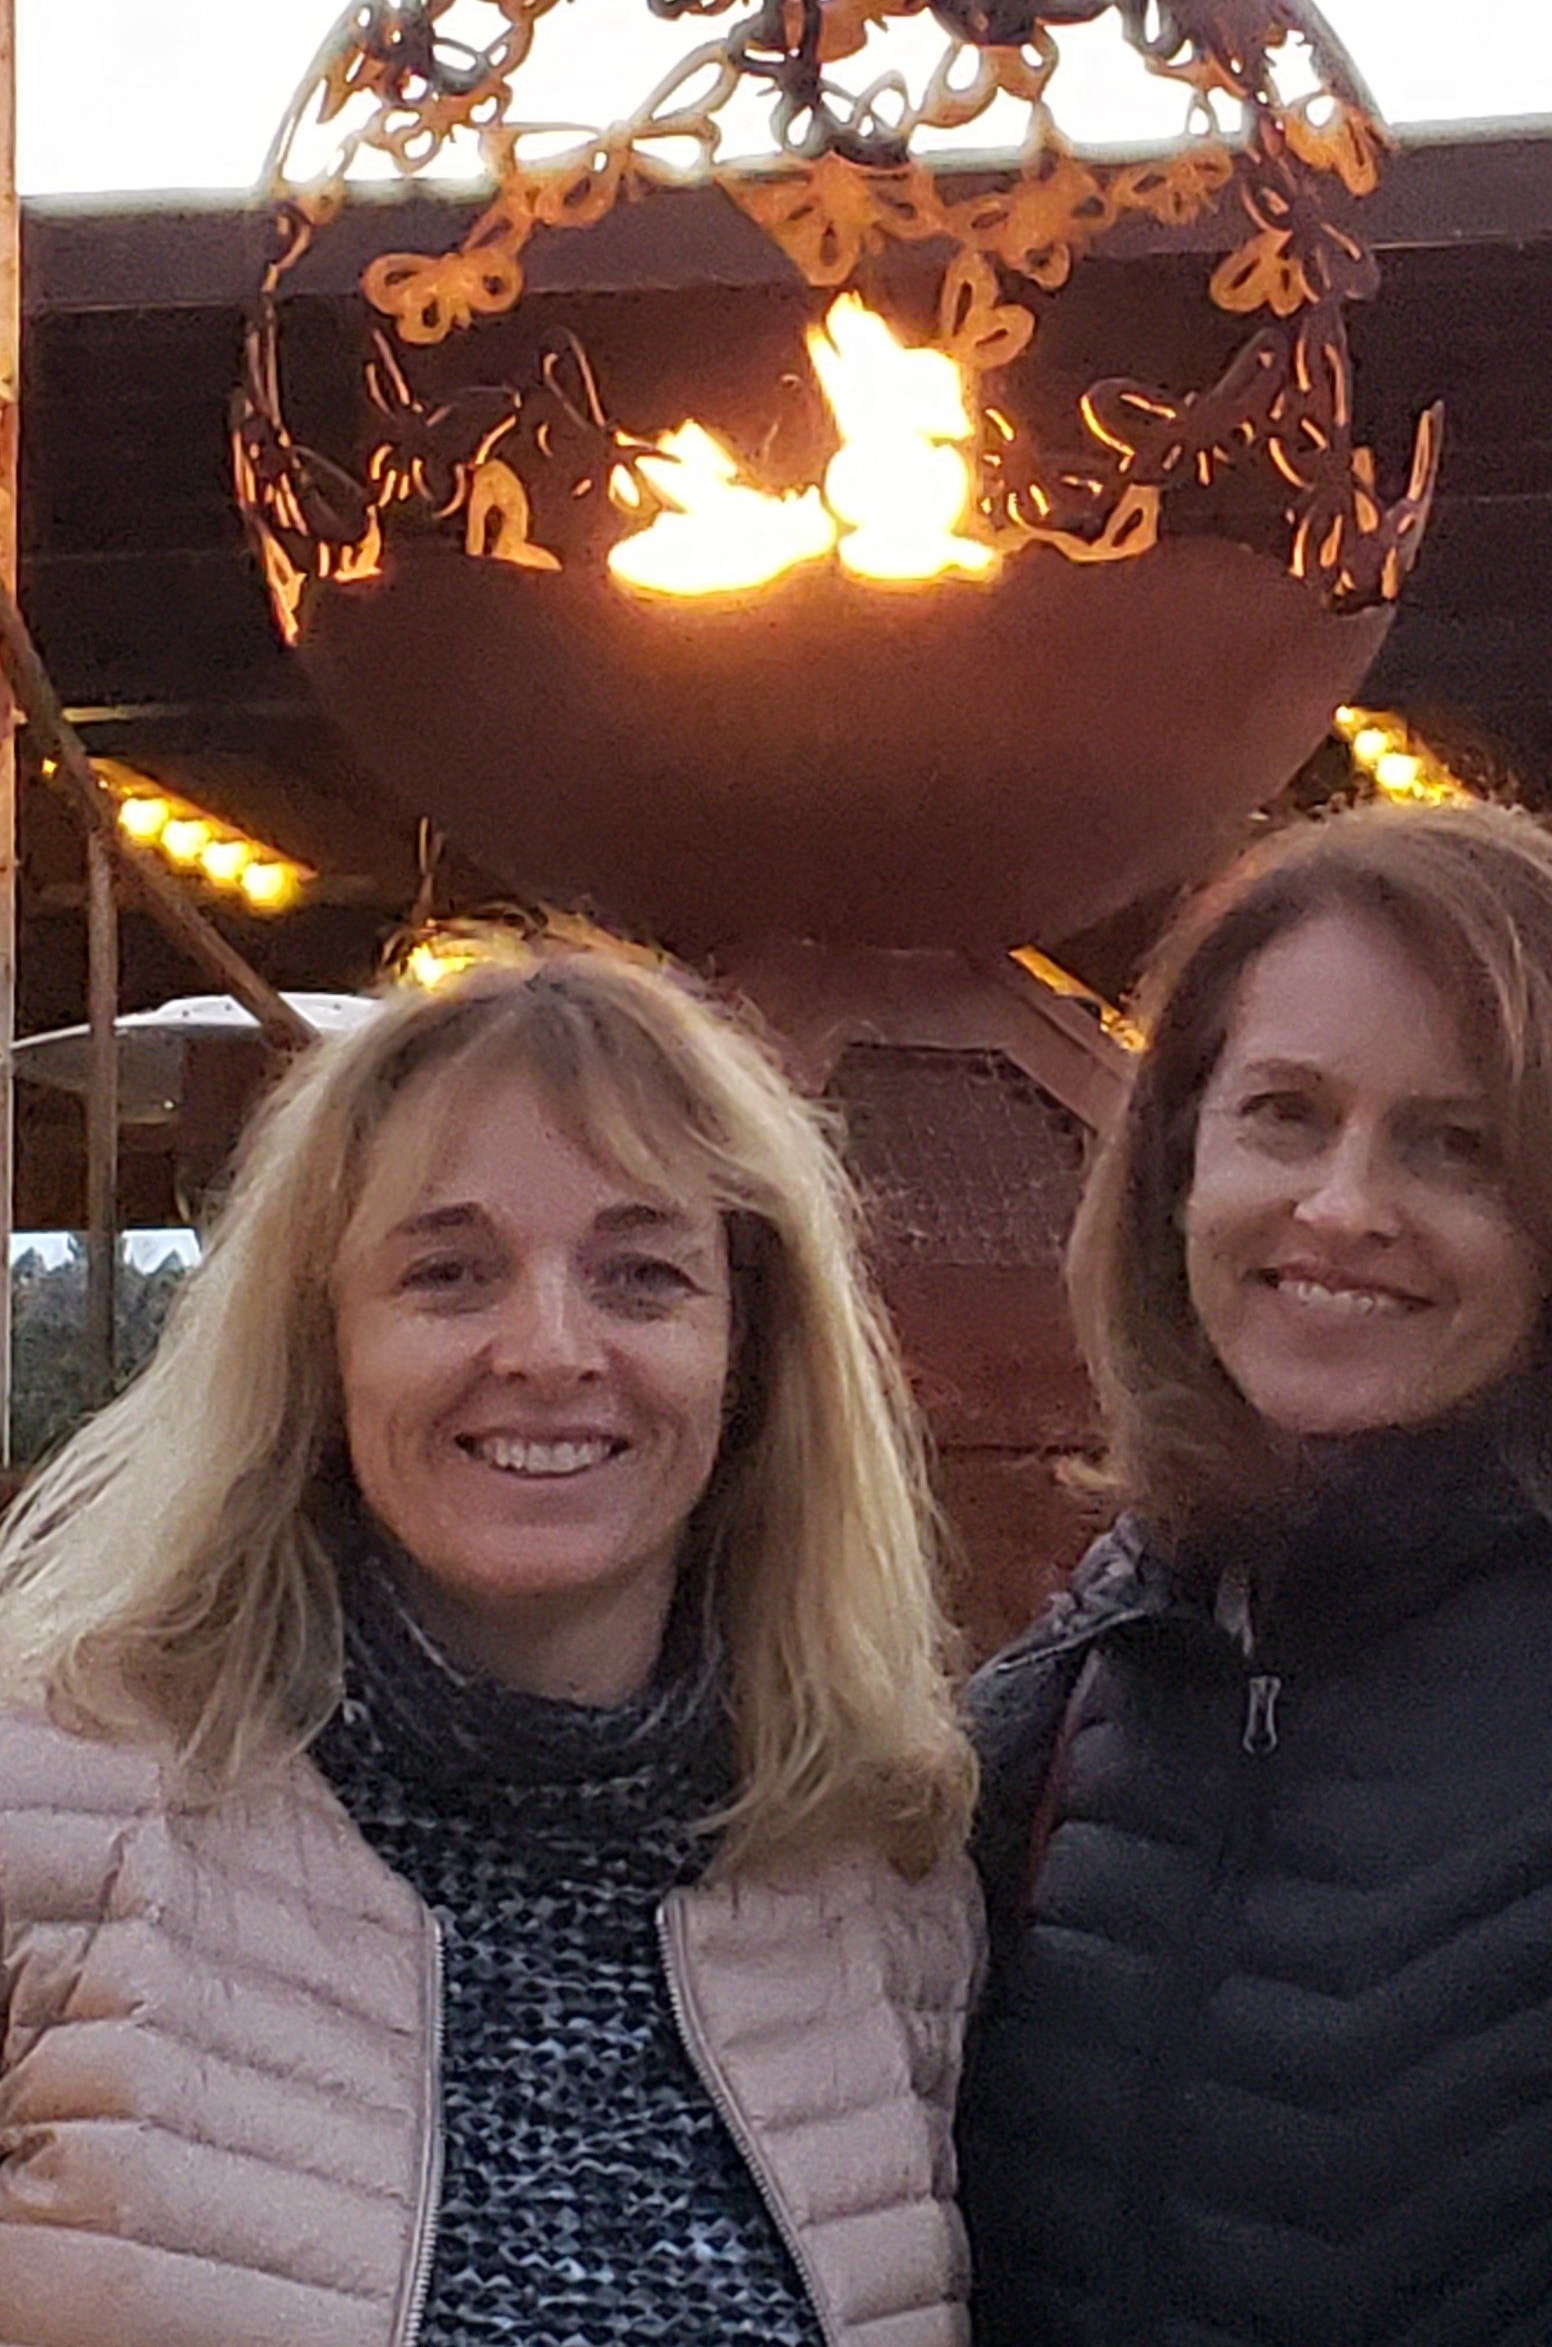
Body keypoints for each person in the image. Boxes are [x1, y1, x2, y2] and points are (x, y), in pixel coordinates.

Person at [961, 798, 1552, 2347]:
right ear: (1175, 1162)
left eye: (1459, 1145)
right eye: (1282, 1112)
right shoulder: (1094, 1674)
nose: (1341, 1208)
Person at [0, 927, 980, 2347]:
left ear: (751, 1355)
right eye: (449, 1275)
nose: (549, 1350)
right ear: (320, 1343)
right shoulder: (53, 1814)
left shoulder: (882, 1882)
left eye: (642, 1277)